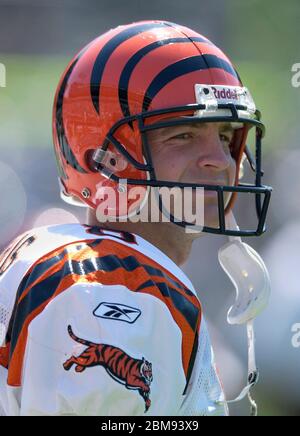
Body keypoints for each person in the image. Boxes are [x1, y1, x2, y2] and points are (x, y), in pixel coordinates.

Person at [0, 20, 272, 416]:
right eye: (183, 134)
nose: (220, 159)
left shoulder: (79, 268)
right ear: (103, 158)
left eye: (227, 134)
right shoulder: (114, 289)